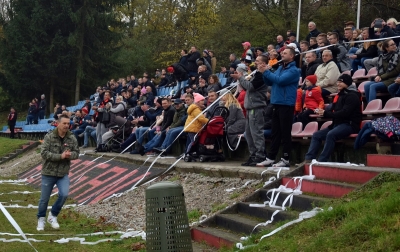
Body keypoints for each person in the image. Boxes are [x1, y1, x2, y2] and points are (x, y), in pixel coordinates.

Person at [256, 48, 300, 167]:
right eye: (282, 52)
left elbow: (280, 81)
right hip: (276, 102)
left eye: (285, 53)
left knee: (285, 132)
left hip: (286, 104)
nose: (282, 54)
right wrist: (264, 73)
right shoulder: (280, 68)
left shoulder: (294, 70)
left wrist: (266, 72)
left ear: (291, 56)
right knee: (275, 132)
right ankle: (271, 157)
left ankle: (286, 158)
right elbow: (270, 82)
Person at [305, 74, 362, 162]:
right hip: (337, 124)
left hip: (349, 125)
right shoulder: (340, 95)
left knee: (331, 134)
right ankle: (308, 160)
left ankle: (322, 160)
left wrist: (326, 113)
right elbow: (333, 109)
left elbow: (344, 113)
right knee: (316, 135)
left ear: (347, 83)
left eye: (340, 82)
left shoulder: (353, 96)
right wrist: (321, 111)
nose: (338, 84)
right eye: (338, 82)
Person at [37, 114, 79, 231]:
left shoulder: (72, 138)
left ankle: (53, 215)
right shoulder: (49, 137)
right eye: (64, 123)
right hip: (48, 172)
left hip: (63, 173)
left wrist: (70, 155)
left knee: (64, 194)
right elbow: (44, 153)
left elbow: (77, 153)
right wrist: (60, 156)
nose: (67, 125)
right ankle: (41, 219)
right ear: (58, 124)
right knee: (44, 199)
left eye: (68, 123)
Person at [231, 56, 269, 166]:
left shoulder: (262, 75)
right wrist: (241, 79)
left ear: (263, 63)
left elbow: (250, 87)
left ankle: (260, 156)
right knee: (248, 134)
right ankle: (253, 155)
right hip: (250, 108)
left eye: (258, 61)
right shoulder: (256, 73)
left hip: (256, 108)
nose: (255, 62)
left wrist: (240, 78)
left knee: (256, 133)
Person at [183, 93, 209, 157]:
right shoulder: (196, 109)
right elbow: (201, 118)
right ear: (197, 101)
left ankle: (190, 152)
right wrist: (209, 121)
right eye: (202, 100)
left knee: (193, 141)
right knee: (193, 142)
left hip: (192, 128)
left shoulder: (196, 108)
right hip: (193, 128)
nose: (203, 102)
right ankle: (188, 153)